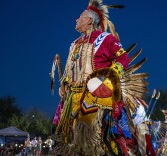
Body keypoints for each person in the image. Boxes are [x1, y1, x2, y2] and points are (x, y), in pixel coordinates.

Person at [51, 0, 149, 155]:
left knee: (89, 136)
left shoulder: (105, 39)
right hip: (72, 97)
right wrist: (63, 85)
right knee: (64, 136)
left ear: (89, 20)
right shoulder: (74, 44)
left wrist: (108, 77)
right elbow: (71, 69)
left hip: (94, 95)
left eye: (80, 17)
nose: (76, 20)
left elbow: (123, 58)